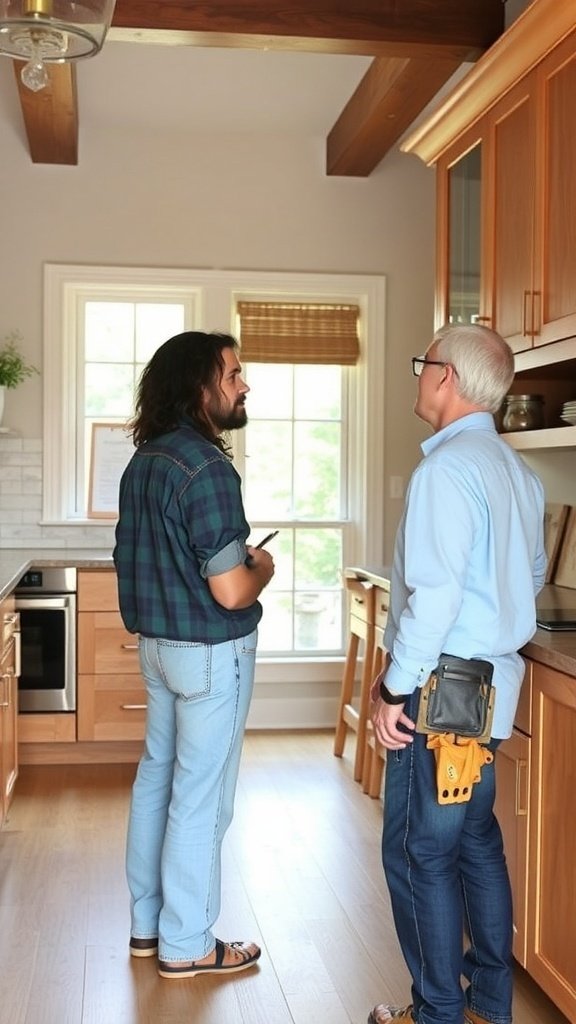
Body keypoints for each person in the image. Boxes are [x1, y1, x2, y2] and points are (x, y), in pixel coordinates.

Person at [368, 324, 546, 1024]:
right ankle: (488, 1008)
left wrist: (391, 689)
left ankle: (438, 1012)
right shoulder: (516, 472)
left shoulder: (445, 471)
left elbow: (435, 598)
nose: (418, 376)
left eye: (423, 364)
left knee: (419, 855)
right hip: (492, 690)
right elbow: (530, 576)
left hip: (442, 691)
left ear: (446, 377)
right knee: (476, 843)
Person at [113, 330, 275, 980]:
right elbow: (231, 588)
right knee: (202, 798)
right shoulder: (207, 468)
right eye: (233, 374)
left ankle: (149, 929)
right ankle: (189, 944)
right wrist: (262, 566)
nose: (243, 385)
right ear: (199, 386)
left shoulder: (144, 460)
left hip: (157, 651)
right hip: (211, 654)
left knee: (157, 780)